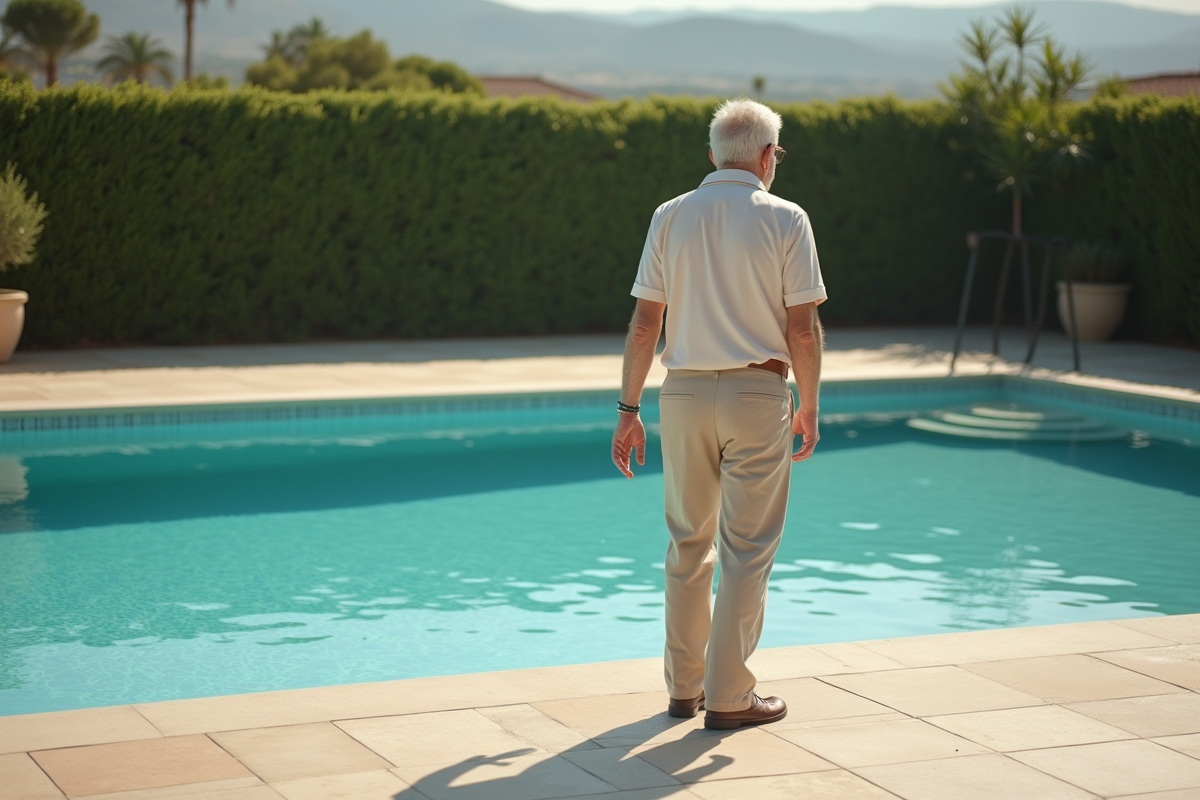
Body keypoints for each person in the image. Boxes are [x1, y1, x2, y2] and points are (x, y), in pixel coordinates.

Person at [611, 98, 826, 731]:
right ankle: (730, 695)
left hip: (680, 395)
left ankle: (685, 689)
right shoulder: (787, 219)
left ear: (712, 154)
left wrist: (628, 409)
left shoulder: (669, 215)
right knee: (747, 548)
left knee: (688, 544)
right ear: (767, 156)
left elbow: (645, 322)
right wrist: (809, 405)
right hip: (757, 396)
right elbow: (803, 328)